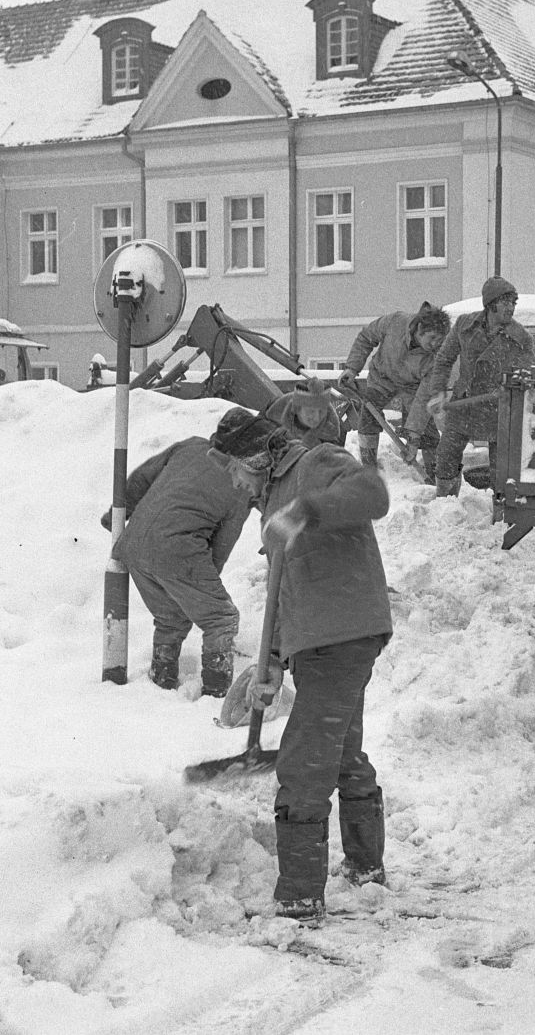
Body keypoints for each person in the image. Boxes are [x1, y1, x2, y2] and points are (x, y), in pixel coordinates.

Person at [209, 379, 392, 927]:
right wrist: (271, 657)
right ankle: (365, 867)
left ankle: (298, 898)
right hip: (319, 639)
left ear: (257, 455)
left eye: (234, 470)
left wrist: (308, 510)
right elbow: (285, 587)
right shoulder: (272, 497)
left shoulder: (315, 465)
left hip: (344, 634)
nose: (235, 484)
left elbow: (374, 495)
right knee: (338, 750)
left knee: (305, 760)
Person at [102, 412, 255, 697]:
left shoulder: (189, 446)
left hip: (132, 544)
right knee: (221, 619)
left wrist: (117, 513)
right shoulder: (240, 482)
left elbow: (142, 477)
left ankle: (161, 683)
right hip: (177, 550)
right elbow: (223, 544)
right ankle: (215, 693)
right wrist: (204, 584)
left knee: (171, 618)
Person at [424, 275, 533, 497]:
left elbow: (527, 377)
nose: (511, 308)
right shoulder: (464, 326)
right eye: (505, 302)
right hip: (465, 405)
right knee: (445, 458)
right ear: (491, 305)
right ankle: (445, 503)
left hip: (500, 411)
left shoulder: (521, 338)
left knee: (502, 471)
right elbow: (444, 359)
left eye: (513, 303)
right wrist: (437, 392)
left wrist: (510, 387)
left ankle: (501, 515)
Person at [337, 302, 451, 479]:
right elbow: (366, 337)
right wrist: (352, 368)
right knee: (368, 414)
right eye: (433, 337)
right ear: (420, 328)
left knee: (426, 430)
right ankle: (368, 469)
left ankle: (435, 475)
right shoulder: (395, 322)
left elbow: (422, 401)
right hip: (382, 378)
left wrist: (413, 439)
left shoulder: (435, 359)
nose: (436, 344)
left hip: (412, 387)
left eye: (440, 340)